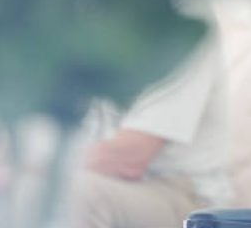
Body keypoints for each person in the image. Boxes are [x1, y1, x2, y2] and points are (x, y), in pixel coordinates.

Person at [70, 38, 234, 228]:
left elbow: (128, 158)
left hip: (186, 197)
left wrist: (41, 169)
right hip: (115, 183)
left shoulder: (181, 30)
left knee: (79, 195)